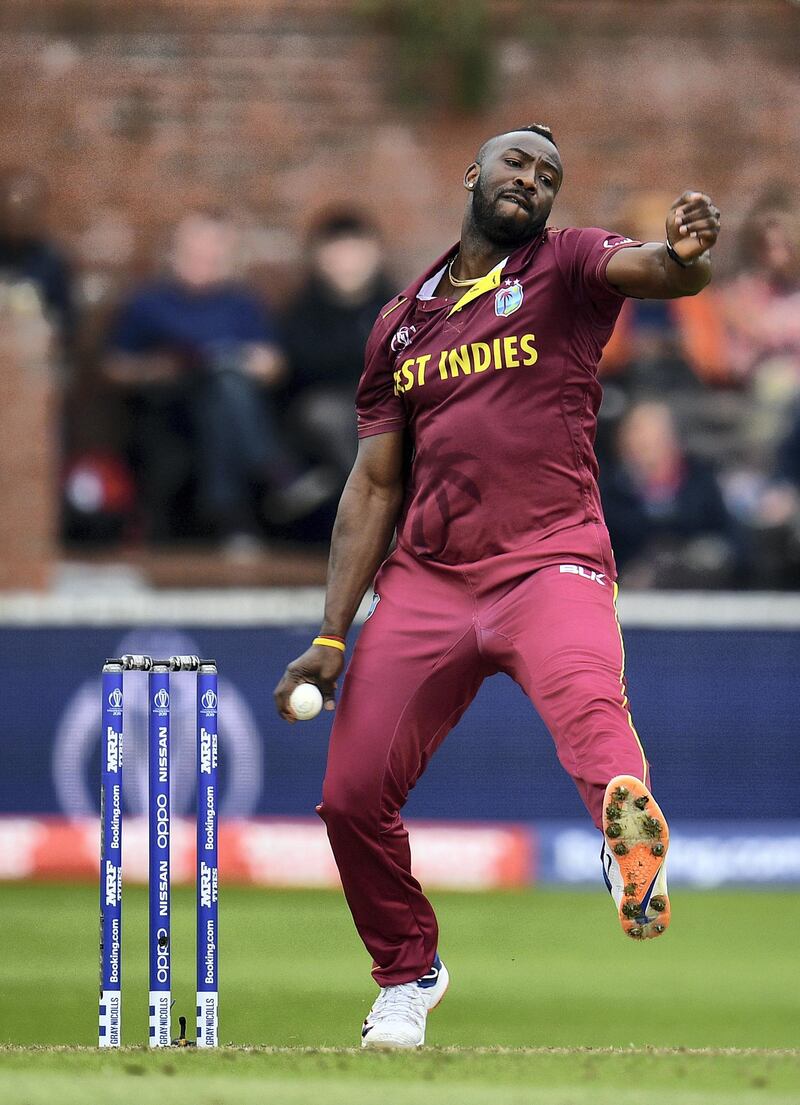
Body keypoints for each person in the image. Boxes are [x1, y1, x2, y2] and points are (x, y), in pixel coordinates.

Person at [274, 125, 721, 1048]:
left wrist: (683, 256)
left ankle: (624, 843)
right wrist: (329, 633)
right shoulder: (400, 322)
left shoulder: (566, 266)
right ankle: (409, 972)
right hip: (428, 582)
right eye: (517, 162)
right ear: (473, 174)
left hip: (549, 559)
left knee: (590, 704)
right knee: (352, 798)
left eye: (549, 175)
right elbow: (374, 483)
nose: (533, 179)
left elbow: (658, 274)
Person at [105, 209, 331, 544]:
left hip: (229, 404)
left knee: (224, 385)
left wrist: (248, 361)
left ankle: (227, 513)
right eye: (194, 251)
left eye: (212, 253)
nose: (203, 260)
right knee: (223, 391)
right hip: (169, 405)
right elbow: (113, 366)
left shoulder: (241, 304)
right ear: (174, 252)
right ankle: (275, 473)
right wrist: (154, 368)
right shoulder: (148, 302)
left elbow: (274, 366)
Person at [281, 212, 396, 487]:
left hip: (387, 404)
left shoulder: (397, 306)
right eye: (337, 255)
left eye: (355, 254)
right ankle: (368, 499)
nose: (347, 265)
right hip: (330, 406)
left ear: (374, 255)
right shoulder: (303, 313)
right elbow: (302, 366)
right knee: (327, 417)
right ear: (320, 259)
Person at [601, 400, 740, 588]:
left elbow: (728, 540)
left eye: (654, 433)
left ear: (673, 438)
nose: (643, 441)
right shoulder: (606, 489)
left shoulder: (701, 483)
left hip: (696, 595)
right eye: (635, 431)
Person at [0, 167, 75, 355]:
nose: (20, 214)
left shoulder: (53, 260)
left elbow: (67, 322)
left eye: (29, 206)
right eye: (14, 204)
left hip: (34, 355)